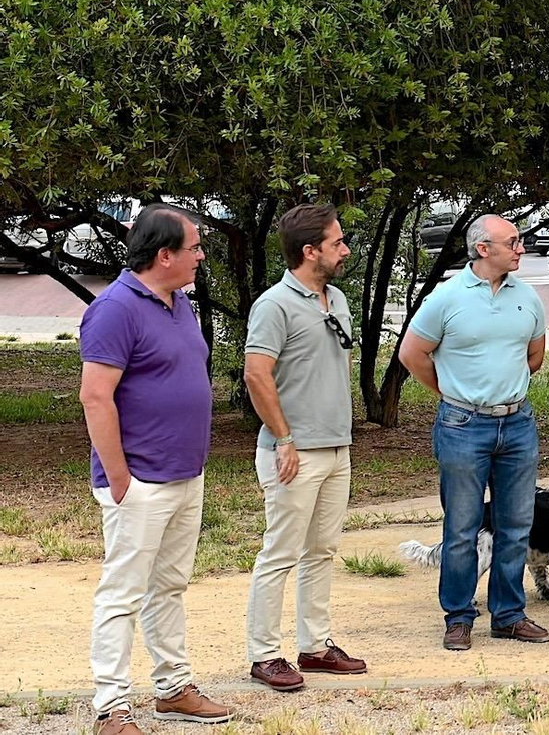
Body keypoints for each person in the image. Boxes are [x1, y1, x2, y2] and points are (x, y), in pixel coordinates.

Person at [80, 206, 233, 735]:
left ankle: (172, 688)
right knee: (123, 593)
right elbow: (95, 397)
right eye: (193, 247)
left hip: (185, 473)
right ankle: (112, 708)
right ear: (163, 255)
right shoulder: (115, 309)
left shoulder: (181, 303)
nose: (201, 256)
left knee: (169, 586)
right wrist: (120, 478)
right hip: (140, 481)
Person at [398, 214, 548, 652]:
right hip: (463, 425)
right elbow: (412, 353)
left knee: (516, 525)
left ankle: (508, 615)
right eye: (513, 242)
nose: (521, 248)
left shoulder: (528, 297)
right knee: (462, 528)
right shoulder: (447, 298)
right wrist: (452, 393)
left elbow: (534, 356)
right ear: (484, 249)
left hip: (517, 424)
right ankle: (459, 616)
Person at [243, 205, 366, 691]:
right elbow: (257, 374)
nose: (345, 249)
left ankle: (315, 646)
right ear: (309, 250)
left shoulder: (336, 298)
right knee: (281, 552)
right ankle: (264, 654)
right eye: (337, 243)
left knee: (322, 550)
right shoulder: (274, 304)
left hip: (337, 446)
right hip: (293, 450)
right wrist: (284, 438)